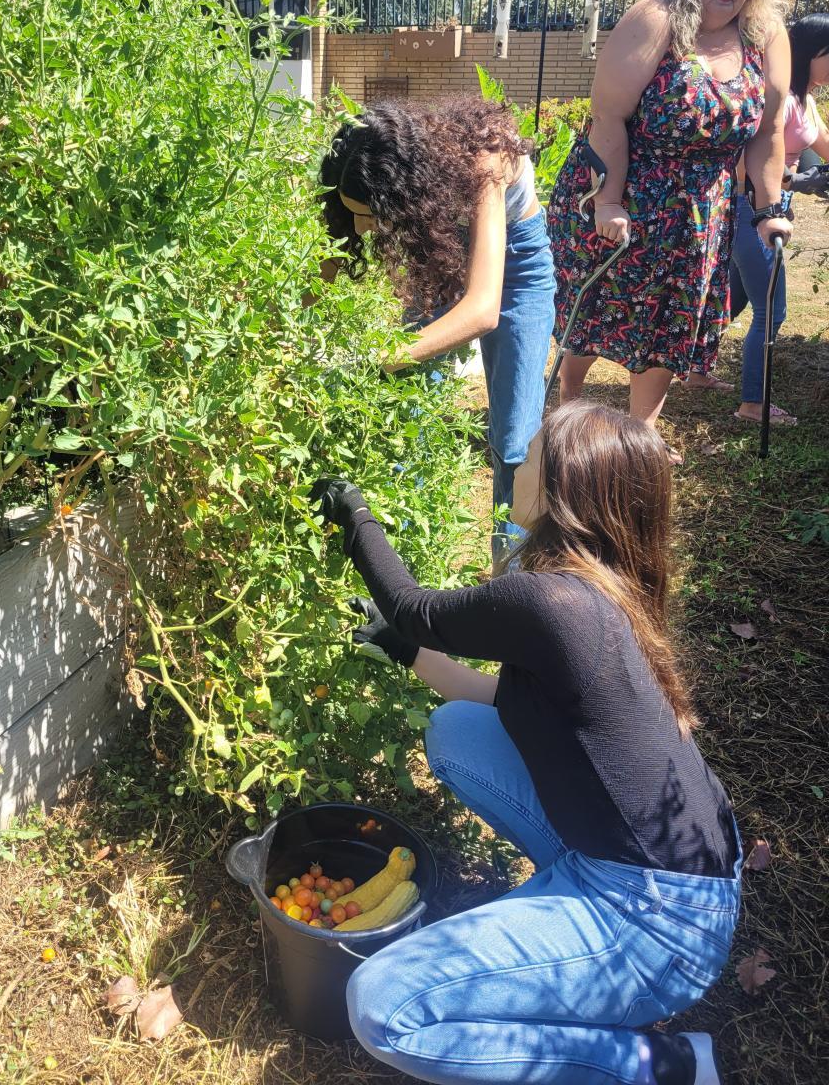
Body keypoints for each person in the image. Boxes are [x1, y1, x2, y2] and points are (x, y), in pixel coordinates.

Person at [310, 401, 741, 1085]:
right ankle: (562, 912)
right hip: (665, 875)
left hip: (657, 924)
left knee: (382, 1007)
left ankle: (664, 1067)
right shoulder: (601, 589)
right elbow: (498, 700)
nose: (516, 462)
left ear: (568, 483)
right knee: (456, 731)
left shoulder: (553, 603)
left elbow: (416, 608)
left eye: (534, 453)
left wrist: (355, 515)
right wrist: (400, 649)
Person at [547, 0, 793, 463]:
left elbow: (769, 131)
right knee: (596, 307)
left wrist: (768, 208)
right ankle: (569, 405)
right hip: (625, 185)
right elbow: (608, 117)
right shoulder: (656, 20)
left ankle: (641, 436)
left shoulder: (765, 35)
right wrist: (609, 200)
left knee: (669, 319)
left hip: (702, 209)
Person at [318, 97, 555, 565]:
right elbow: (323, 273)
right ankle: (403, 572)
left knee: (515, 443)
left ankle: (512, 580)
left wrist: (380, 355)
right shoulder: (371, 174)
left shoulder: (485, 159)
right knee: (409, 418)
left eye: (370, 215)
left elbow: (482, 309)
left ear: (402, 192)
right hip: (442, 252)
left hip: (518, 267)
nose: (361, 230)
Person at [729, 13, 829, 426]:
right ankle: (753, 403)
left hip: (773, 209)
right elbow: (743, 165)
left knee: (734, 298)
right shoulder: (781, 101)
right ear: (811, 53)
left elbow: (824, 145)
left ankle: (696, 371)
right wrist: (795, 180)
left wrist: (808, 178)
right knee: (772, 308)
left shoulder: (806, 102)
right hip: (751, 209)